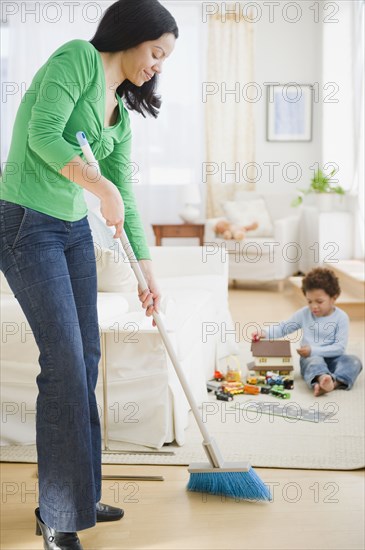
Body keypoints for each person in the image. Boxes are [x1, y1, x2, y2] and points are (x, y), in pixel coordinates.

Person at [0, 1, 178, 548]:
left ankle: (79, 494)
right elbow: (42, 136)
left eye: (165, 59)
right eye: (155, 52)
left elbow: (124, 191)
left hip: (72, 228)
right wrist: (98, 188)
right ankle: (58, 514)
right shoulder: (77, 59)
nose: (156, 66)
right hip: (27, 221)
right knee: (64, 364)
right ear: (131, 36)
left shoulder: (119, 114)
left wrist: (148, 273)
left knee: (88, 359)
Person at [253, 268, 362, 397]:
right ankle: (323, 379)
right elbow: (284, 327)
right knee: (314, 361)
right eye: (309, 301)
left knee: (354, 361)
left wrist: (313, 350)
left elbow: (339, 348)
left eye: (319, 301)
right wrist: (265, 333)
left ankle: (333, 382)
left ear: (334, 297)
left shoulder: (341, 318)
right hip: (312, 359)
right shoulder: (304, 314)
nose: (313, 306)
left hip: (335, 359)